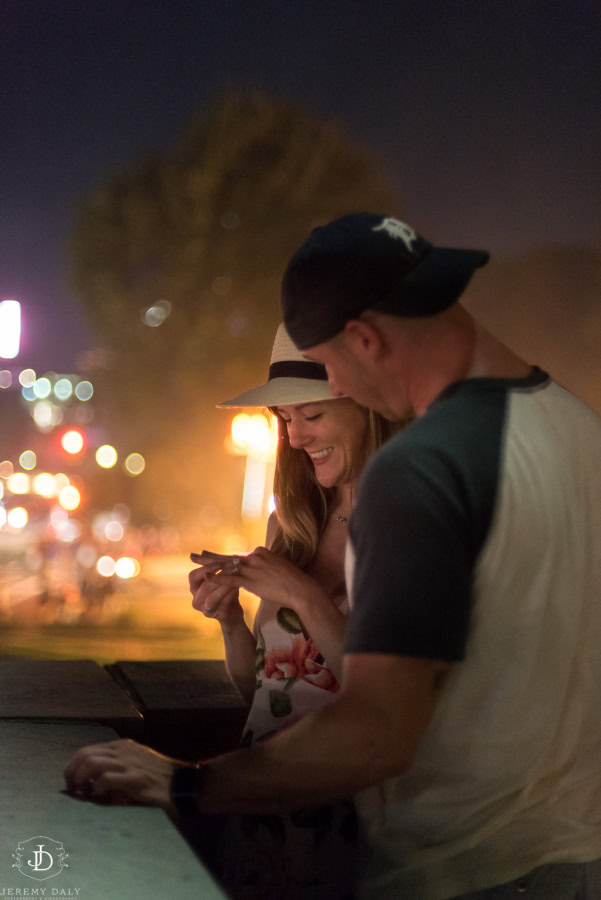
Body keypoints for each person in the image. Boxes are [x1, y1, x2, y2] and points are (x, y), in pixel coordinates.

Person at [64, 213, 601, 900]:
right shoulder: (577, 430)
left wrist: (184, 783)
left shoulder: (424, 467)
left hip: (459, 865)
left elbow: (379, 728)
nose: (329, 396)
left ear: (364, 340)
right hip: (566, 854)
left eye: (327, 378)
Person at [187, 322, 398, 897]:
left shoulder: (410, 521)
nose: (296, 437)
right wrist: (230, 619)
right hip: (264, 815)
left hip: (355, 819)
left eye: (313, 415)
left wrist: (301, 596)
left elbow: (390, 699)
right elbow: (261, 692)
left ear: (368, 407)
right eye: (284, 420)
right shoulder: (292, 522)